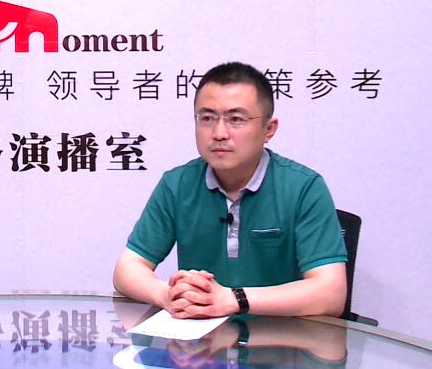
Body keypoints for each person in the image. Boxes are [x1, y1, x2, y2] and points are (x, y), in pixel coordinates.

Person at [113, 62, 347, 319]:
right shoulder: (177, 184)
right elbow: (127, 269)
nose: (219, 133)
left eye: (236, 119)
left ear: (268, 129)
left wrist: (234, 299)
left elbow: (331, 294)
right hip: (201, 340)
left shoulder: (304, 187)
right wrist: (167, 295)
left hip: (282, 337)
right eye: (207, 118)